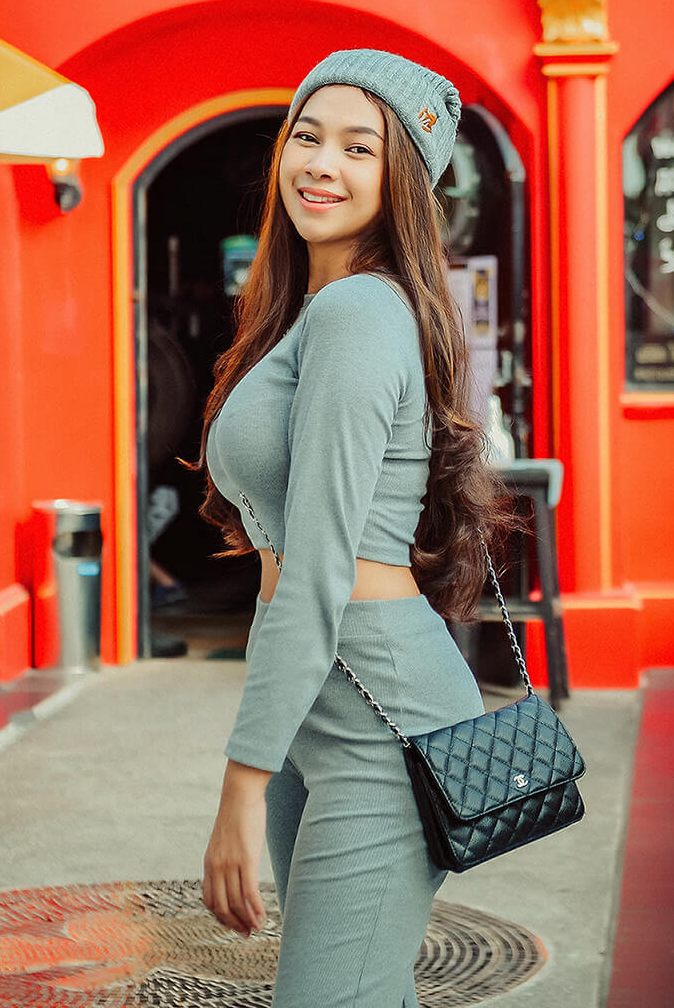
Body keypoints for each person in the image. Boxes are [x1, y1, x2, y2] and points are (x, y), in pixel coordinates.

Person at [194, 49, 516, 1006]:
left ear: (401, 180)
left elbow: (319, 573)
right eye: (306, 134)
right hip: (323, 725)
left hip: (383, 731)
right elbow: (285, 566)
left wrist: (238, 790)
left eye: (358, 146)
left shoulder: (359, 315)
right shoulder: (311, 313)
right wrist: (274, 745)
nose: (320, 163)